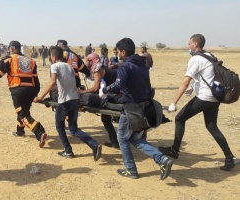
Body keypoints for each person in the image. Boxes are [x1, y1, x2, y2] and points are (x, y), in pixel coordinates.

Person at [159, 34, 238, 171]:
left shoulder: (196, 59)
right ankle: (230, 158)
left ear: (195, 44)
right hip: (214, 97)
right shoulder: (209, 55)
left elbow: (185, 81)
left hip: (205, 97)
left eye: (189, 43)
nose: (188, 46)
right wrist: (193, 88)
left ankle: (174, 150)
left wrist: (174, 102)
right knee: (212, 126)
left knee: (180, 118)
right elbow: (208, 76)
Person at [100, 38, 173, 180]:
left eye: (118, 51)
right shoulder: (142, 66)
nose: (118, 53)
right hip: (143, 107)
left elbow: (118, 85)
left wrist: (105, 89)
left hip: (131, 109)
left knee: (122, 138)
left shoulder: (125, 67)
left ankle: (131, 169)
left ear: (123, 52)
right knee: (133, 138)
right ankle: (162, 159)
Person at [34, 46, 102, 161]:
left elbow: (52, 82)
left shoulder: (55, 66)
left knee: (59, 126)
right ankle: (94, 144)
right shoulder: (70, 66)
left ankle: (68, 150)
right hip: (75, 99)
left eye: (51, 56)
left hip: (64, 101)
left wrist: (41, 97)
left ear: (53, 56)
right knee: (73, 128)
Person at [0, 40, 47, 147]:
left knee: (22, 114)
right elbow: (36, 79)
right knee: (24, 110)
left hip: (18, 89)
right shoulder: (31, 60)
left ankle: (40, 132)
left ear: (12, 49)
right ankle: (20, 131)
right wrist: (35, 94)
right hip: (31, 89)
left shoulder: (10, 59)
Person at [77, 53, 119, 148]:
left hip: (111, 96)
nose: (85, 62)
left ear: (91, 61)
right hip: (111, 93)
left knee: (106, 119)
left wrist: (82, 91)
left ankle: (116, 141)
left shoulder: (97, 70)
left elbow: (96, 88)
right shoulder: (101, 66)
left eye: (87, 60)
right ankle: (115, 142)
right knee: (105, 119)